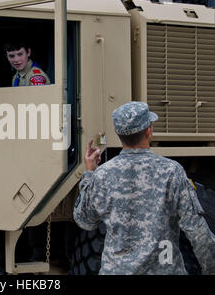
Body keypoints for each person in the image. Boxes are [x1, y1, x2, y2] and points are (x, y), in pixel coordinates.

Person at [73, 101, 215, 275]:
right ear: (148, 131)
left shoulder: (103, 175)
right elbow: (198, 233)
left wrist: (89, 174)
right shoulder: (172, 171)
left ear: (119, 134)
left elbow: (85, 220)